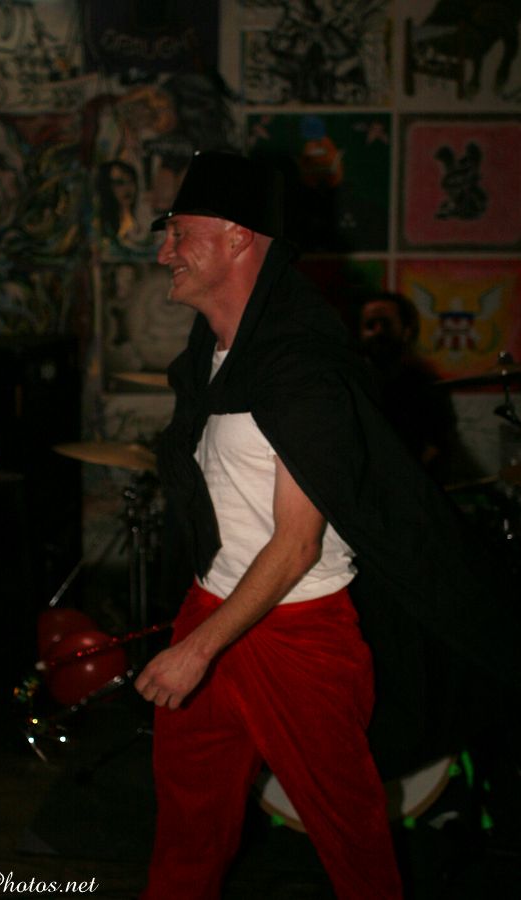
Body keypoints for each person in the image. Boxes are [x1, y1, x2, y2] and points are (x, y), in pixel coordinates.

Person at [134, 151, 520, 900]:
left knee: (351, 842)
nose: (164, 252)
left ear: (239, 238)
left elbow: (297, 542)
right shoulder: (215, 355)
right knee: (187, 827)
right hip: (213, 605)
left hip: (299, 631)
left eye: (179, 232)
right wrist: (199, 627)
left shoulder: (304, 368)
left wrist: (197, 651)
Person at [354, 291, 457, 483]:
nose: (378, 331)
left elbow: (438, 445)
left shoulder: (426, 385)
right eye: (370, 325)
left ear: (407, 331)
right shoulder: (350, 382)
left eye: (386, 324)